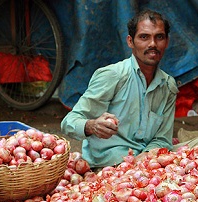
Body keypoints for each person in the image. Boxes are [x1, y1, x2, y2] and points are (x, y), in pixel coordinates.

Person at [61, 9, 179, 170]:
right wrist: (92, 125)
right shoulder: (113, 76)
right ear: (130, 41)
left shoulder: (168, 86)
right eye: (144, 37)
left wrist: (143, 159)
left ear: (167, 42)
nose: (152, 44)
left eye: (159, 37)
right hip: (109, 166)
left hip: (147, 165)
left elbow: (163, 139)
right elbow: (69, 122)